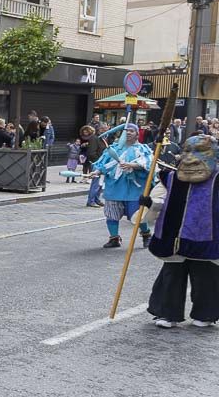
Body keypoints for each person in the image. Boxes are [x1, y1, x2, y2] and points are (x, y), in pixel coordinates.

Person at [144, 135, 219, 328]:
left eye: (200, 152)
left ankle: (206, 314)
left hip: (207, 240)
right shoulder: (169, 178)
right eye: (186, 151)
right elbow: (159, 203)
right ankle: (167, 313)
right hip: (172, 239)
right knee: (171, 276)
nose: (190, 158)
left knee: (206, 278)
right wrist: (150, 204)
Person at [94, 123, 152, 249]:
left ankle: (146, 234)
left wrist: (133, 165)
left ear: (137, 134)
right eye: (126, 131)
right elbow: (103, 164)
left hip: (134, 189)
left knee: (137, 215)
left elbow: (148, 163)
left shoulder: (143, 149)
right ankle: (114, 238)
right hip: (114, 188)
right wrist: (96, 172)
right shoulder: (113, 149)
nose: (129, 133)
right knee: (111, 214)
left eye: (132, 130)